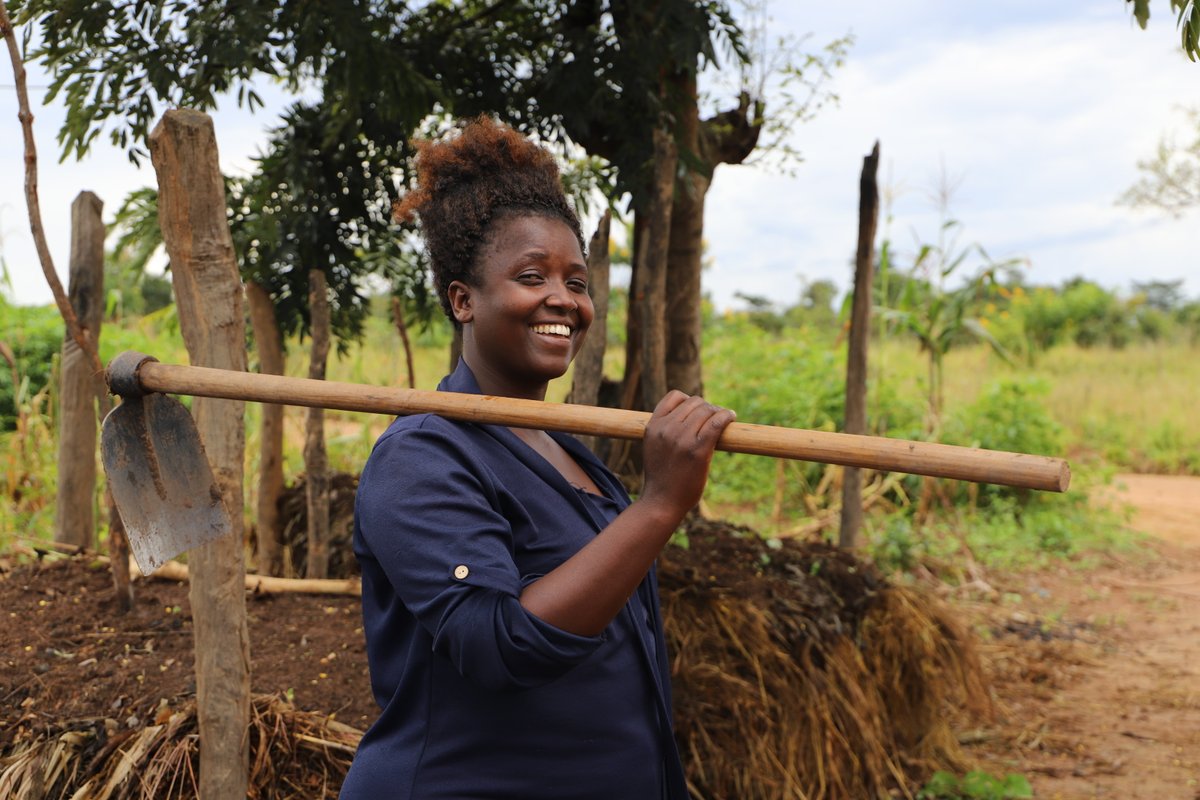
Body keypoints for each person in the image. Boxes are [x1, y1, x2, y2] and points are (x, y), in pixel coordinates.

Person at [341, 116, 736, 800]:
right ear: (463, 300)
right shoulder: (423, 454)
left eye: (576, 282)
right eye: (532, 276)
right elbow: (503, 644)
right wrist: (661, 504)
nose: (563, 299)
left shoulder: (566, 451)